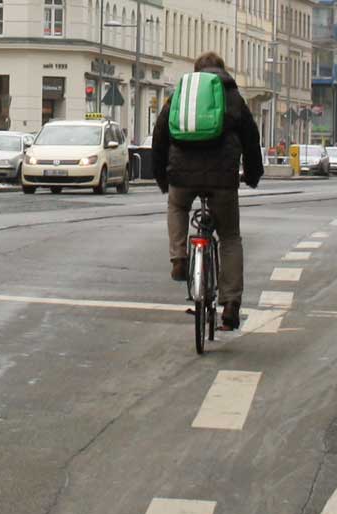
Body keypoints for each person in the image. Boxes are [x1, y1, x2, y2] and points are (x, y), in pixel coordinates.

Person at [151, 51, 262, 331]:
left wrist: (161, 177)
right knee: (229, 237)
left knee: (177, 207)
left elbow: (160, 135)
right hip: (222, 178)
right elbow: (251, 137)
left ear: (196, 72)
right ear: (222, 71)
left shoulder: (181, 94)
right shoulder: (233, 96)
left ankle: (178, 258)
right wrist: (252, 174)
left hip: (182, 174)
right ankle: (231, 304)